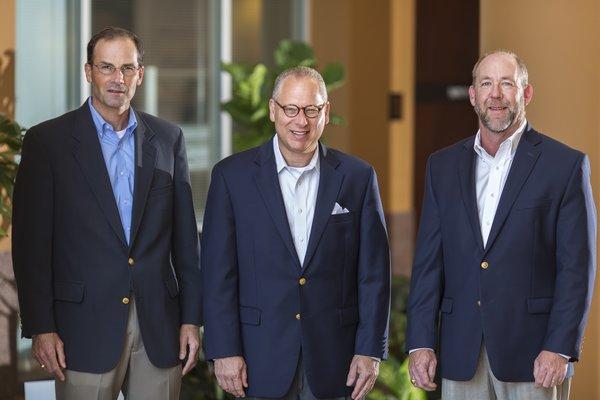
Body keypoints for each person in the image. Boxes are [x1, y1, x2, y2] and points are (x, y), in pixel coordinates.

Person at [12, 26, 202, 400]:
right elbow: (31, 247)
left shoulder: (168, 139)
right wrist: (40, 326)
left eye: (127, 68)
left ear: (140, 74)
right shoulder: (47, 142)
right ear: (88, 72)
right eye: (106, 67)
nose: (118, 79)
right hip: (80, 330)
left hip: (158, 330)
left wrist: (192, 319)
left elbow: (185, 242)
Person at [406, 50, 596, 400]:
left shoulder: (564, 166)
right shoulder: (442, 166)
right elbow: (429, 264)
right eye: (486, 84)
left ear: (526, 94)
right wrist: (420, 342)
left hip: (535, 357)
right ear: (473, 95)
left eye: (507, 84)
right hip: (460, 351)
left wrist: (559, 346)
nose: (496, 94)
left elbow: (577, 269)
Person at [201, 66, 390, 399]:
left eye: (311, 110)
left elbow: (373, 274)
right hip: (258, 357)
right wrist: (223, 349)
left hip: (337, 359)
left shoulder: (357, 178)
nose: (300, 121)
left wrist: (370, 349)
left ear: (325, 113)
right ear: (274, 110)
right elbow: (218, 273)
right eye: (291, 109)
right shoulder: (232, 178)